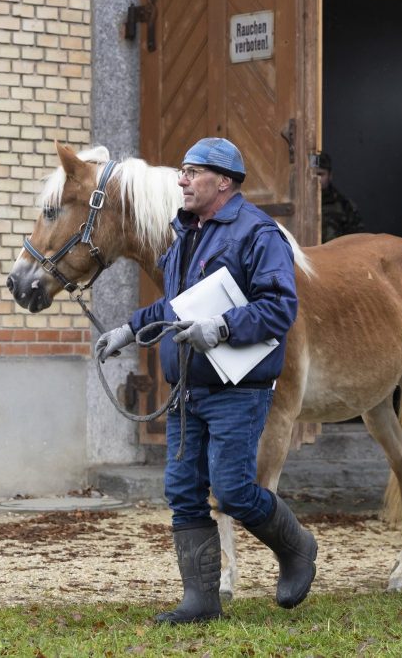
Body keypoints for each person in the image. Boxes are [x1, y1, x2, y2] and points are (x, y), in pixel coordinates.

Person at [95, 137, 317, 623]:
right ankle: (201, 600)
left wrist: (222, 327)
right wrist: (129, 329)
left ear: (223, 181)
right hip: (187, 390)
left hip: (237, 390)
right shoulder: (186, 234)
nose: (182, 180)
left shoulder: (258, 233)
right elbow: (175, 306)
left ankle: (297, 548)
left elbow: (280, 306)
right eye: (182, 172)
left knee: (234, 489)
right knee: (183, 491)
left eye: (192, 172)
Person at [316, 151, 365, 243]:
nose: (316, 178)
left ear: (330, 176)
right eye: (312, 174)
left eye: (320, 174)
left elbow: (357, 241)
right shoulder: (299, 205)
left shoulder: (344, 206)